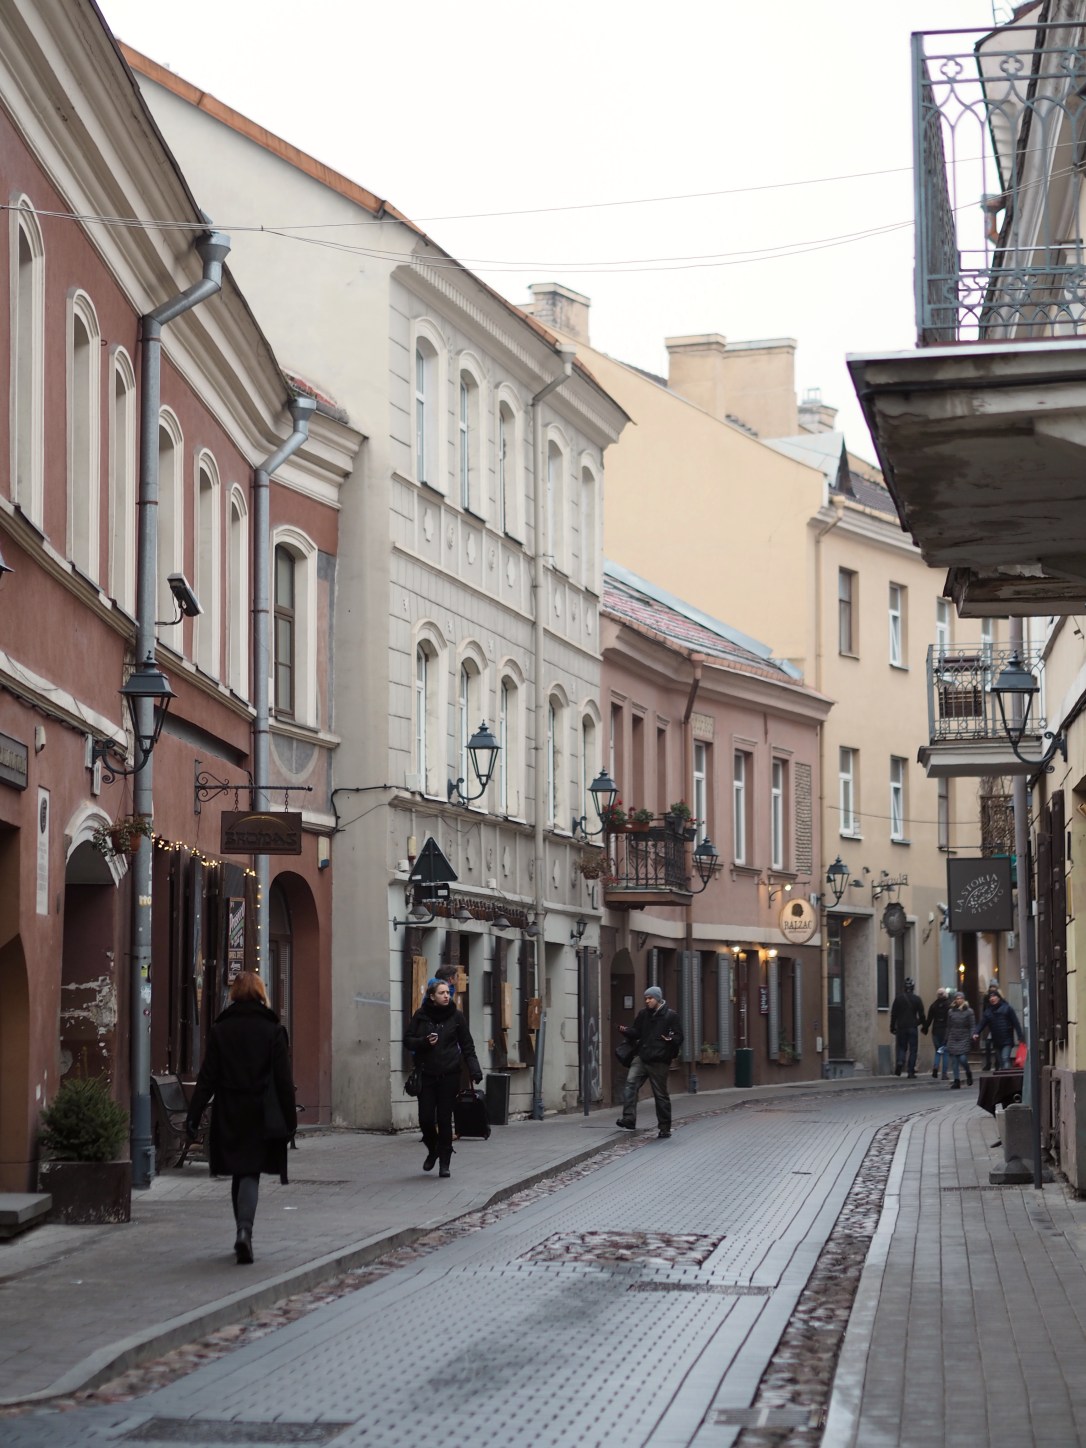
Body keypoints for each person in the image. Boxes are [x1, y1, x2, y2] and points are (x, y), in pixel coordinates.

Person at [185, 970, 297, 1265]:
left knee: (240, 1170)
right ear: (261, 993)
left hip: (230, 1110)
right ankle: (244, 1231)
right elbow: (284, 1082)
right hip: (261, 1112)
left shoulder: (221, 1029)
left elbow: (207, 1077)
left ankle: (242, 1231)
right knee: (249, 1171)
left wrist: (193, 1115)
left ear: (234, 993)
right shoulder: (272, 1030)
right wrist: (290, 1121)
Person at [404, 977, 481, 1178]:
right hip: (427, 1075)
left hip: (450, 1075)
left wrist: (474, 1069)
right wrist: (423, 1042)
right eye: (442, 993)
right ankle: (433, 1149)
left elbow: (467, 1045)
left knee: (444, 1119)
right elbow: (408, 1040)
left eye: (448, 993)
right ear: (432, 996)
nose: (446, 996)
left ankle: (445, 1161)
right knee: (425, 1119)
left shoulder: (456, 1016)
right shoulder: (421, 1015)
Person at [616, 985, 683, 1139]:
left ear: (658, 999)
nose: (647, 1001)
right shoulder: (643, 1014)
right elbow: (637, 1032)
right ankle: (629, 1119)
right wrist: (626, 1031)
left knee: (660, 1095)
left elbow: (679, 1037)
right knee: (630, 1084)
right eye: (646, 998)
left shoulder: (671, 1016)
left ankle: (664, 1127)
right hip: (642, 1057)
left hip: (659, 1060)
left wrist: (671, 1039)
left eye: (650, 998)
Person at [975, 985, 1024, 1071]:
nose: (992, 998)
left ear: (998, 998)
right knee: (1001, 1063)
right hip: (996, 1041)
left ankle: (1007, 1077)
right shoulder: (988, 1012)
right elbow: (982, 1023)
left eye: (994, 996)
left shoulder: (1007, 1008)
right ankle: (1006, 1077)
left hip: (1007, 1040)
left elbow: (1016, 1023)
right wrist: (976, 1032)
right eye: (990, 997)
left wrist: (1020, 1036)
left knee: (1005, 1058)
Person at [889, 976, 926, 1078]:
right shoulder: (917, 999)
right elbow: (922, 1015)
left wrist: (892, 1027)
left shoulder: (898, 999)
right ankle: (910, 1071)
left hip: (901, 1027)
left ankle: (900, 1061)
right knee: (913, 1050)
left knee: (902, 1047)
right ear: (913, 987)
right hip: (912, 1027)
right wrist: (921, 1024)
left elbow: (893, 1014)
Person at [944, 989, 976, 1089]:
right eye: (957, 998)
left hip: (964, 1036)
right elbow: (948, 1026)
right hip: (953, 1037)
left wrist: (972, 1035)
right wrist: (946, 1038)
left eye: (961, 998)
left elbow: (972, 1025)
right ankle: (956, 1080)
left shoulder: (969, 1011)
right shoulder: (950, 1011)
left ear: (964, 999)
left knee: (962, 1059)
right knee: (954, 1061)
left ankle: (968, 1072)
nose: (959, 1000)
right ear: (955, 1000)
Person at [925, 987, 951, 1080]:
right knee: (945, 1052)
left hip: (935, 1031)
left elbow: (929, 1019)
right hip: (945, 1031)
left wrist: (925, 1028)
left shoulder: (933, 1005)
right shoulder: (949, 1005)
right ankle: (944, 1074)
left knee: (938, 1051)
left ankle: (936, 1066)